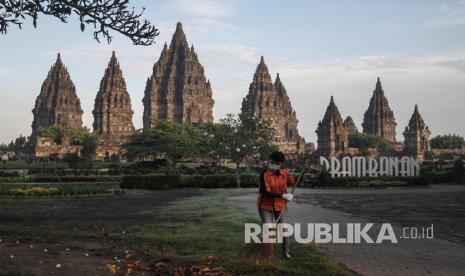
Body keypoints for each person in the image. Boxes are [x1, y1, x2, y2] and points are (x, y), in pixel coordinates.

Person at [257, 151, 305, 259]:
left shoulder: (284, 173)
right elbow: (265, 192)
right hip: (265, 206)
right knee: (269, 229)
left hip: (280, 205)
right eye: (273, 162)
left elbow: (295, 182)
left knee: (284, 229)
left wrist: (303, 173)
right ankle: (268, 253)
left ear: (281, 164)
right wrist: (282, 195)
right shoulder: (263, 174)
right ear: (269, 160)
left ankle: (286, 252)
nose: (275, 165)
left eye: (277, 163)